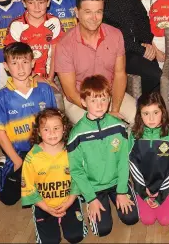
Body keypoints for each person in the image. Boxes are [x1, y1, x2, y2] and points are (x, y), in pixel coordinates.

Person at [67, 75, 139, 237]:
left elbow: (123, 161)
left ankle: (122, 194)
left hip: (116, 183)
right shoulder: (76, 134)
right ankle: (88, 201)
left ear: (109, 100)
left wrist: (121, 191)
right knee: (103, 230)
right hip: (94, 188)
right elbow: (76, 170)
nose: (99, 105)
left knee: (132, 218)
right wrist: (91, 199)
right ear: (84, 102)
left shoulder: (119, 127)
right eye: (93, 100)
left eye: (104, 99)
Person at [0, 42, 57, 205]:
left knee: (51, 188)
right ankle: (2, 168)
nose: (20, 68)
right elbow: (0, 132)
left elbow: (55, 122)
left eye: (25, 62)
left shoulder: (44, 90)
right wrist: (17, 161)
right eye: (14, 63)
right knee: (9, 199)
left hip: (43, 149)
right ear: (5, 66)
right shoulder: (1, 97)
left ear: (32, 63)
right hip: (18, 153)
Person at [84, 0, 161, 94]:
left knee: (158, 79)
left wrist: (146, 41)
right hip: (115, 53)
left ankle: (150, 113)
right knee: (154, 75)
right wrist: (140, 49)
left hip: (139, 46)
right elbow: (106, 33)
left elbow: (141, 14)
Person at [55, 0, 136, 125]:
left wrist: (114, 109)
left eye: (98, 12)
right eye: (88, 12)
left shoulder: (115, 35)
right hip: (80, 100)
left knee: (142, 118)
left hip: (110, 95)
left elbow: (120, 74)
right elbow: (70, 93)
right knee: (97, 129)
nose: (94, 18)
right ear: (77, 12)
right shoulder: (64, 45)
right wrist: (100, 112)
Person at [22, 109, 87, 244]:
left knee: (76, 237)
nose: (52, 133)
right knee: (50, 241)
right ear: (38, 132)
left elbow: (78, 178)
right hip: (44, 204)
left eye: (56, 128)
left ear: (64, 129)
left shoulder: (72, 152)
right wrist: (46, 207)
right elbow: (28, 188)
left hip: (69, 200)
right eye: (46, 129)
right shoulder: (31, 157)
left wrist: (69, 202)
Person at [128, 92, 169, 226]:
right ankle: (140, 196)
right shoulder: (134, 136)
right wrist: (143, 191)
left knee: (166, 221)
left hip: (164, 188)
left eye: (156, 112)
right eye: (146, 113)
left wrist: (162, 194)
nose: (151, 118)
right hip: (143, 187)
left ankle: (167, 197)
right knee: (147, 220)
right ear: (139, 115)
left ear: (163, 112)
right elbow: (132, 164)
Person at [4, 0, 64, 82]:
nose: (37, 8)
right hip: (23, 76)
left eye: (41, 2)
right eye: (31, 3)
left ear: (48, 2)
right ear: (24, 3)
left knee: (57, 96)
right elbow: (12, 57)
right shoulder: (17, 25)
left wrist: (50, 78)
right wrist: (35, 77)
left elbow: (55, 52)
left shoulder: (54, 22)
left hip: (50, 75)